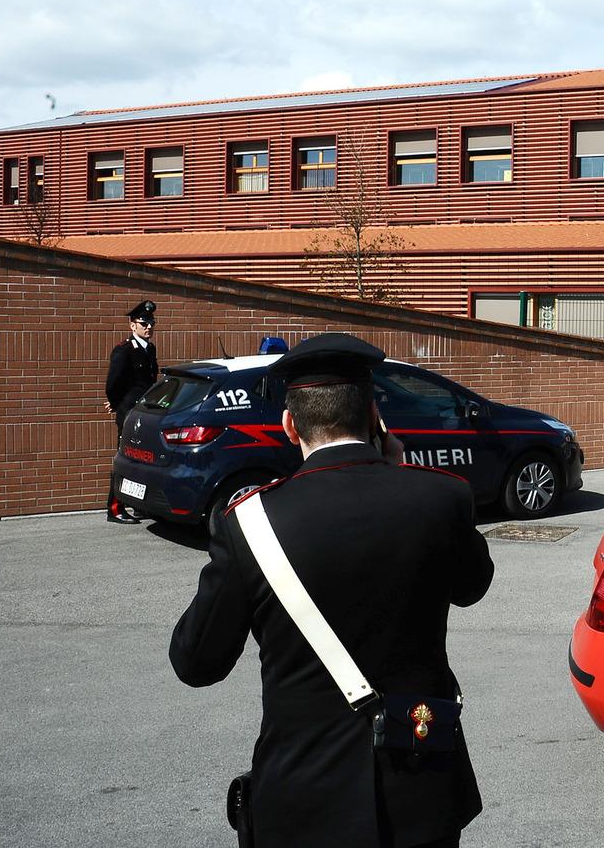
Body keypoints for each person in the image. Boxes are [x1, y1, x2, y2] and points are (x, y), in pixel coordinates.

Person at [169, 333, 494, 848]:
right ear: (373, 417)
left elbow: (195, 663)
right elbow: (473, 586)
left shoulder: (249, 522)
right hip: (420, 786)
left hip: (304, 800)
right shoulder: (442, 496)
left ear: (290, 425)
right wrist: (401, 468)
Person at [104, 299, 159, 523]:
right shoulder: (124, 350)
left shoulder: (150, 349)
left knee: (143, 461)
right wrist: (118, 404)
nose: (148, 327)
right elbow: (113, 384)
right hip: (129, 414)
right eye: (143, 322)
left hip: (144, 414)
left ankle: (139, 505)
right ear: (132, 325)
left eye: (151, 322)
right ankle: (115, 508)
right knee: (125, 459)